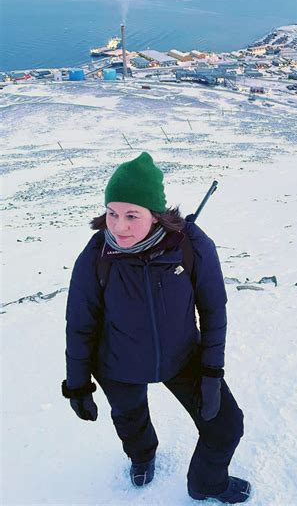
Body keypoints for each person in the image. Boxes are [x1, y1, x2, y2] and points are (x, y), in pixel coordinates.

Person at [61, 152, 251, 504]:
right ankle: (142, 455)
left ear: (156, 215)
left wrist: (211, 372)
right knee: (130, 419)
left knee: (226, 425)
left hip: (182, 356)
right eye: (112, 213)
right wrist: (77, 384)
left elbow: (213, 310)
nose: (119, 226)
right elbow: (80, 323)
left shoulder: (190, 245)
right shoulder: (96, 255)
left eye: (132, 215)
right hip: (119, 363)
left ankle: (207, 483)